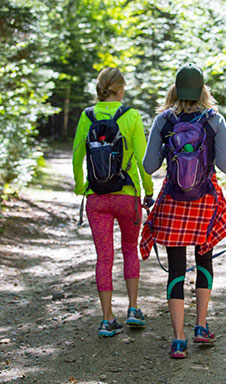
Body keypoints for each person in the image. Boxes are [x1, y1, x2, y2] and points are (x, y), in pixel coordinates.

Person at [140, 63, 226, 358]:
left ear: (176, 90)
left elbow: (149, 166)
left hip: (173, 201)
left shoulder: (164, 120)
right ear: (203, 90)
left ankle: (178, 339)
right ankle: (201, 327)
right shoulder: (214, 120)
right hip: (206, 201)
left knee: (176, 270)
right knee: (204, 261)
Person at [72, 67, 154, 337]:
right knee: (130, 249)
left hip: (96, 197)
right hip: (127, 196)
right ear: (121, 89)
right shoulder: (130, 116)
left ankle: (107, 319)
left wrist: (80, 185)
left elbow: (76, 155)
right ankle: (133, 308)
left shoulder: (86, 116)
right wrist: (149, 190)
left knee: (104, 257)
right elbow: (143, 159)